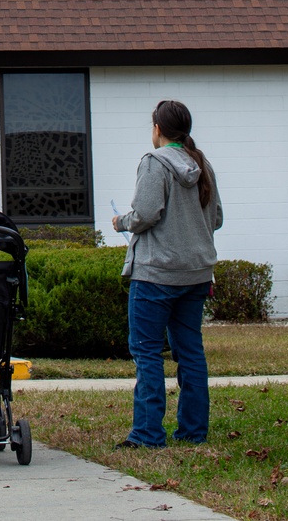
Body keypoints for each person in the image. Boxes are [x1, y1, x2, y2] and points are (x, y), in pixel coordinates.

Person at [112, 100, 223, 449]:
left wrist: (122, 223)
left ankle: (147, 434)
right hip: (196, 274)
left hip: (156, 274)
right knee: (190, 351)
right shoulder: (202, 165)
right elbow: (216, 218)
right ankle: (193, 432)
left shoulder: (153, 162)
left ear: (157, 129)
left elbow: (145, 214)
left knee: (146, 352)